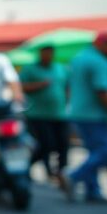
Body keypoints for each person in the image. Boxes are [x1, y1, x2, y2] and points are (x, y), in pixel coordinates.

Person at [63, 31, 107, 203]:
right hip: (95, 115)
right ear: (102, 43)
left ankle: (93, 191)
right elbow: (102, 91)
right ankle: (73, 176)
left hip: (79, 113)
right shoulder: (99, 62)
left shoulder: (79, 57)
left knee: (94, 152)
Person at [19, 45, 70, 180]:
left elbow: (66, 86)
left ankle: (62, 172)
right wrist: (39, 85)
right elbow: (20, 87)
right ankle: (29, 166)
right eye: (45, 52)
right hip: (38, 114)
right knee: (46, 144)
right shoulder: (30, 69)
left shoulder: (60, 68)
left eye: (50, 53)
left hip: (59, 113)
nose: (47, 55)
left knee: (63, 144)